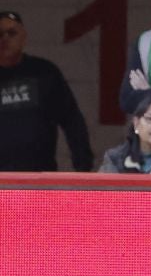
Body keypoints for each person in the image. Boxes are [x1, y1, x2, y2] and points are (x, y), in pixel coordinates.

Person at [0, 11, 93, 172]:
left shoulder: (44, 72)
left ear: (23, 37)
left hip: (39, 178)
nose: (5, 39)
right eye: (0, 34)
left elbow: (72, 120)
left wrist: (83, 166)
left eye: (12, 33)